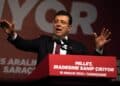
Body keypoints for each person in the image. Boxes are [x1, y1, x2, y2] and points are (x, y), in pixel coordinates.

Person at [0, 10, 111, 65]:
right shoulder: (43, 42)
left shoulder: (78, 47)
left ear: (69, 28)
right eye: (56, 21)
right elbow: (23, 44)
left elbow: (91, 65)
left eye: (62, 22)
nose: (58, 24)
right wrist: (11, 33)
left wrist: (98, 49)